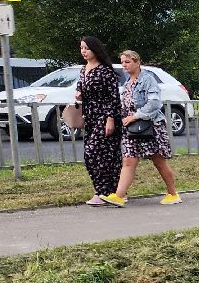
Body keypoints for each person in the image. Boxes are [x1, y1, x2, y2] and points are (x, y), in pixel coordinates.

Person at [102, 49, 179, 206]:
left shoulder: (147, 80)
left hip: (151, 127)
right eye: (122, 62)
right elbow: (126, 106)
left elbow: (155, 103)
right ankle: (119, 196)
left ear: (137, 62)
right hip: (131, 128)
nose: (124, 65)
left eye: (127, 62)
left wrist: (135, 116)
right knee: (128, 161)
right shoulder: (128, 83)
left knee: (158, 161)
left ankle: (173, 193)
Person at [75, 36, 123, 205]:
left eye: (86, 48)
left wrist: (110, 120)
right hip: (90, 117)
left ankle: (107, 192)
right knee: (92, 155)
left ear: (95, 49)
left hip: (105, 117)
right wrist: (79, 94)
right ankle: (107, 191)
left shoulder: (106, 71)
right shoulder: (83, 69)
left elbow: (113, 97)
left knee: (101, 155)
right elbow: (80, 87)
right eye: (81, 48)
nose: (83, 51)